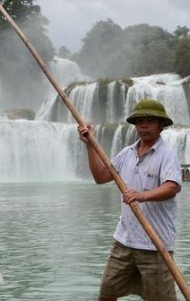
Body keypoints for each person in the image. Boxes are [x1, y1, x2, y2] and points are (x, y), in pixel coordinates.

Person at [78, 98, 182, 301]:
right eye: (139, 121)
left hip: (155, 245)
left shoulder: (167, 155)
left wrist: (143, 195)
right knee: (106, 294)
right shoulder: (127, 153)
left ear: (161, 126)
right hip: (124, 242)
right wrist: (90, 145)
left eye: (150, 121)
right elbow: (101, 177)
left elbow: (172, 186)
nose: (143, 125)